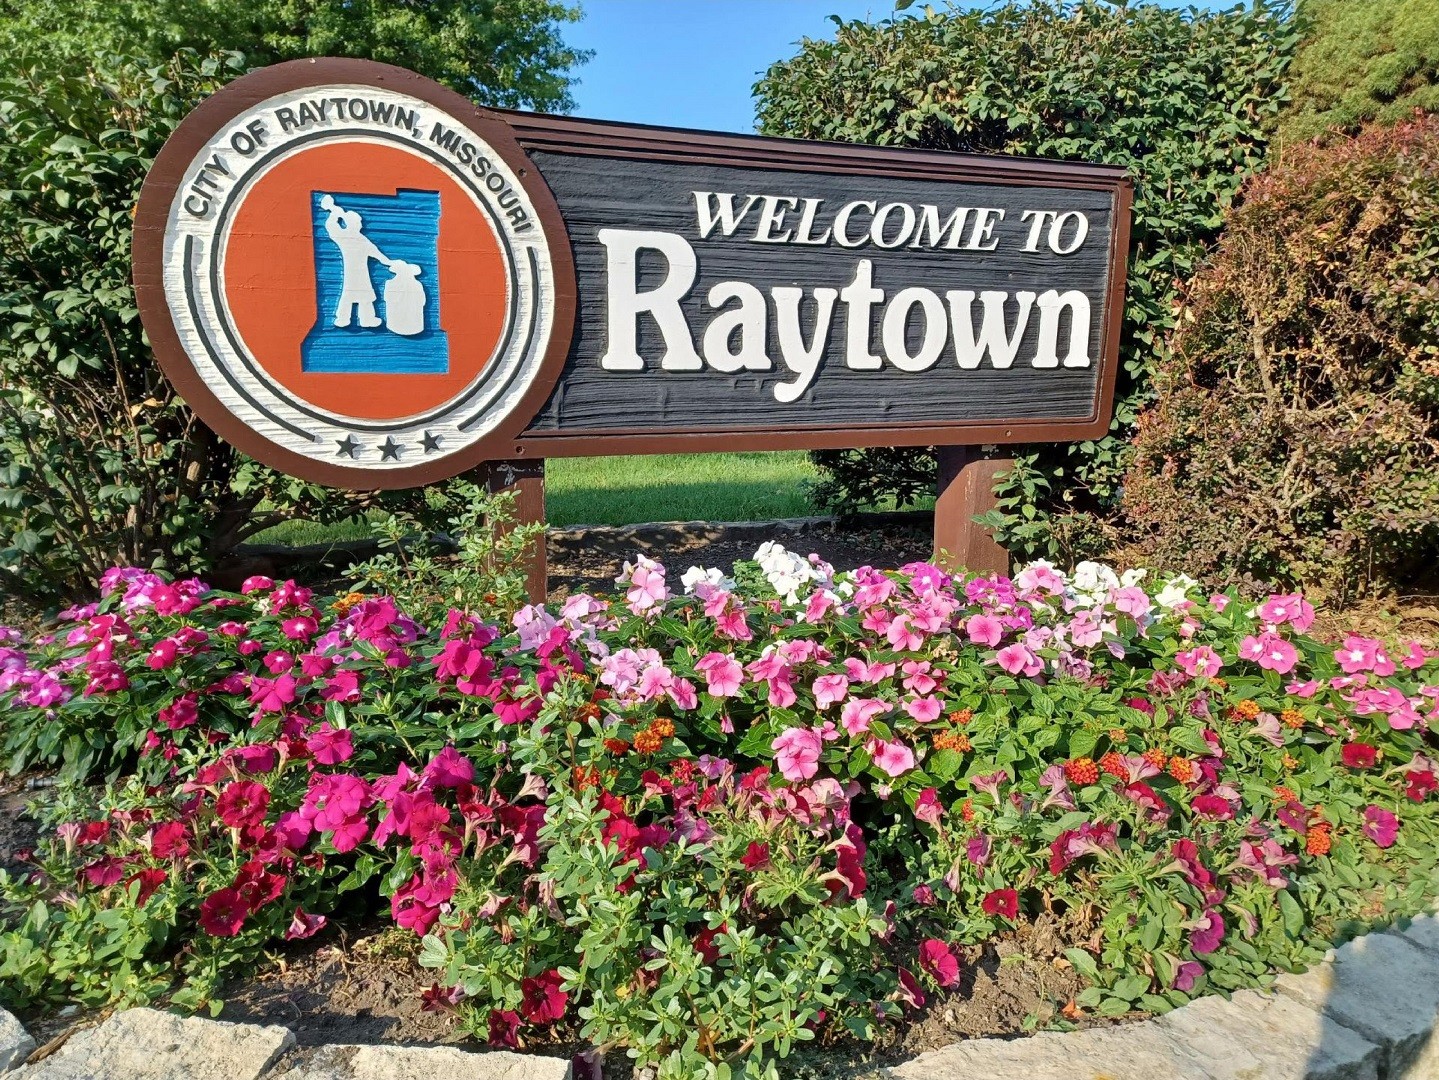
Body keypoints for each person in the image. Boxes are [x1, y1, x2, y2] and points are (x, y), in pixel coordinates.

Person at [320, 194, 393, 329]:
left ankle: (367, 319)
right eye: (358, 222)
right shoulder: (346, 237)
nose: (360, 224)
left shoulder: (361, 239)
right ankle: (343, 318)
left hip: (362, 273)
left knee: (364, 295)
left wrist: (389, 262)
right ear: (352, 224)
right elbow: (331, 227)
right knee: (350, 293)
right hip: (352, 272)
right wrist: (334, 214)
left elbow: (376, 253)